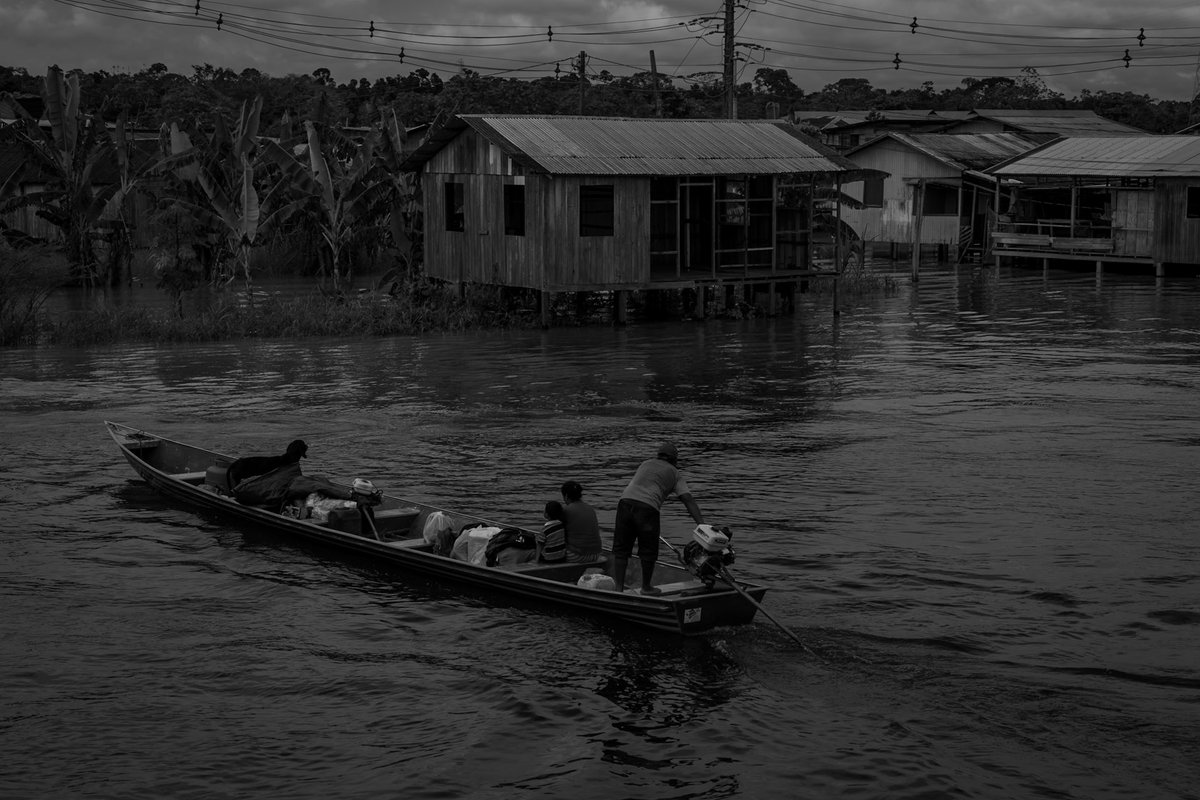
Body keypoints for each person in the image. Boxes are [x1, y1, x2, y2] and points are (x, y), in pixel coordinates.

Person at [611, 442, 704, 594]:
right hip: (647, 508)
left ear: (658, 455)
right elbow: (687, 499)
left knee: (621, 549)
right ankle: (646, 587)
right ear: (674, 460)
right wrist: (702, 525)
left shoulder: (645, 464)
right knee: (648, 550)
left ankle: (619, 589)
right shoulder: (675, 473)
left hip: (625, 503)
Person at [226, 439, 308, 491]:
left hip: (238, 466)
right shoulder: (285, 467)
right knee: (238, 490)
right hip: (241, 468)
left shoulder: (281, 462)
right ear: (301, 453)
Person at [560, 480, 605, 564]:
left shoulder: (566, 510)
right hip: (596, 555)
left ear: (566, 496)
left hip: (576, 556)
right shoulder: (590, 508)